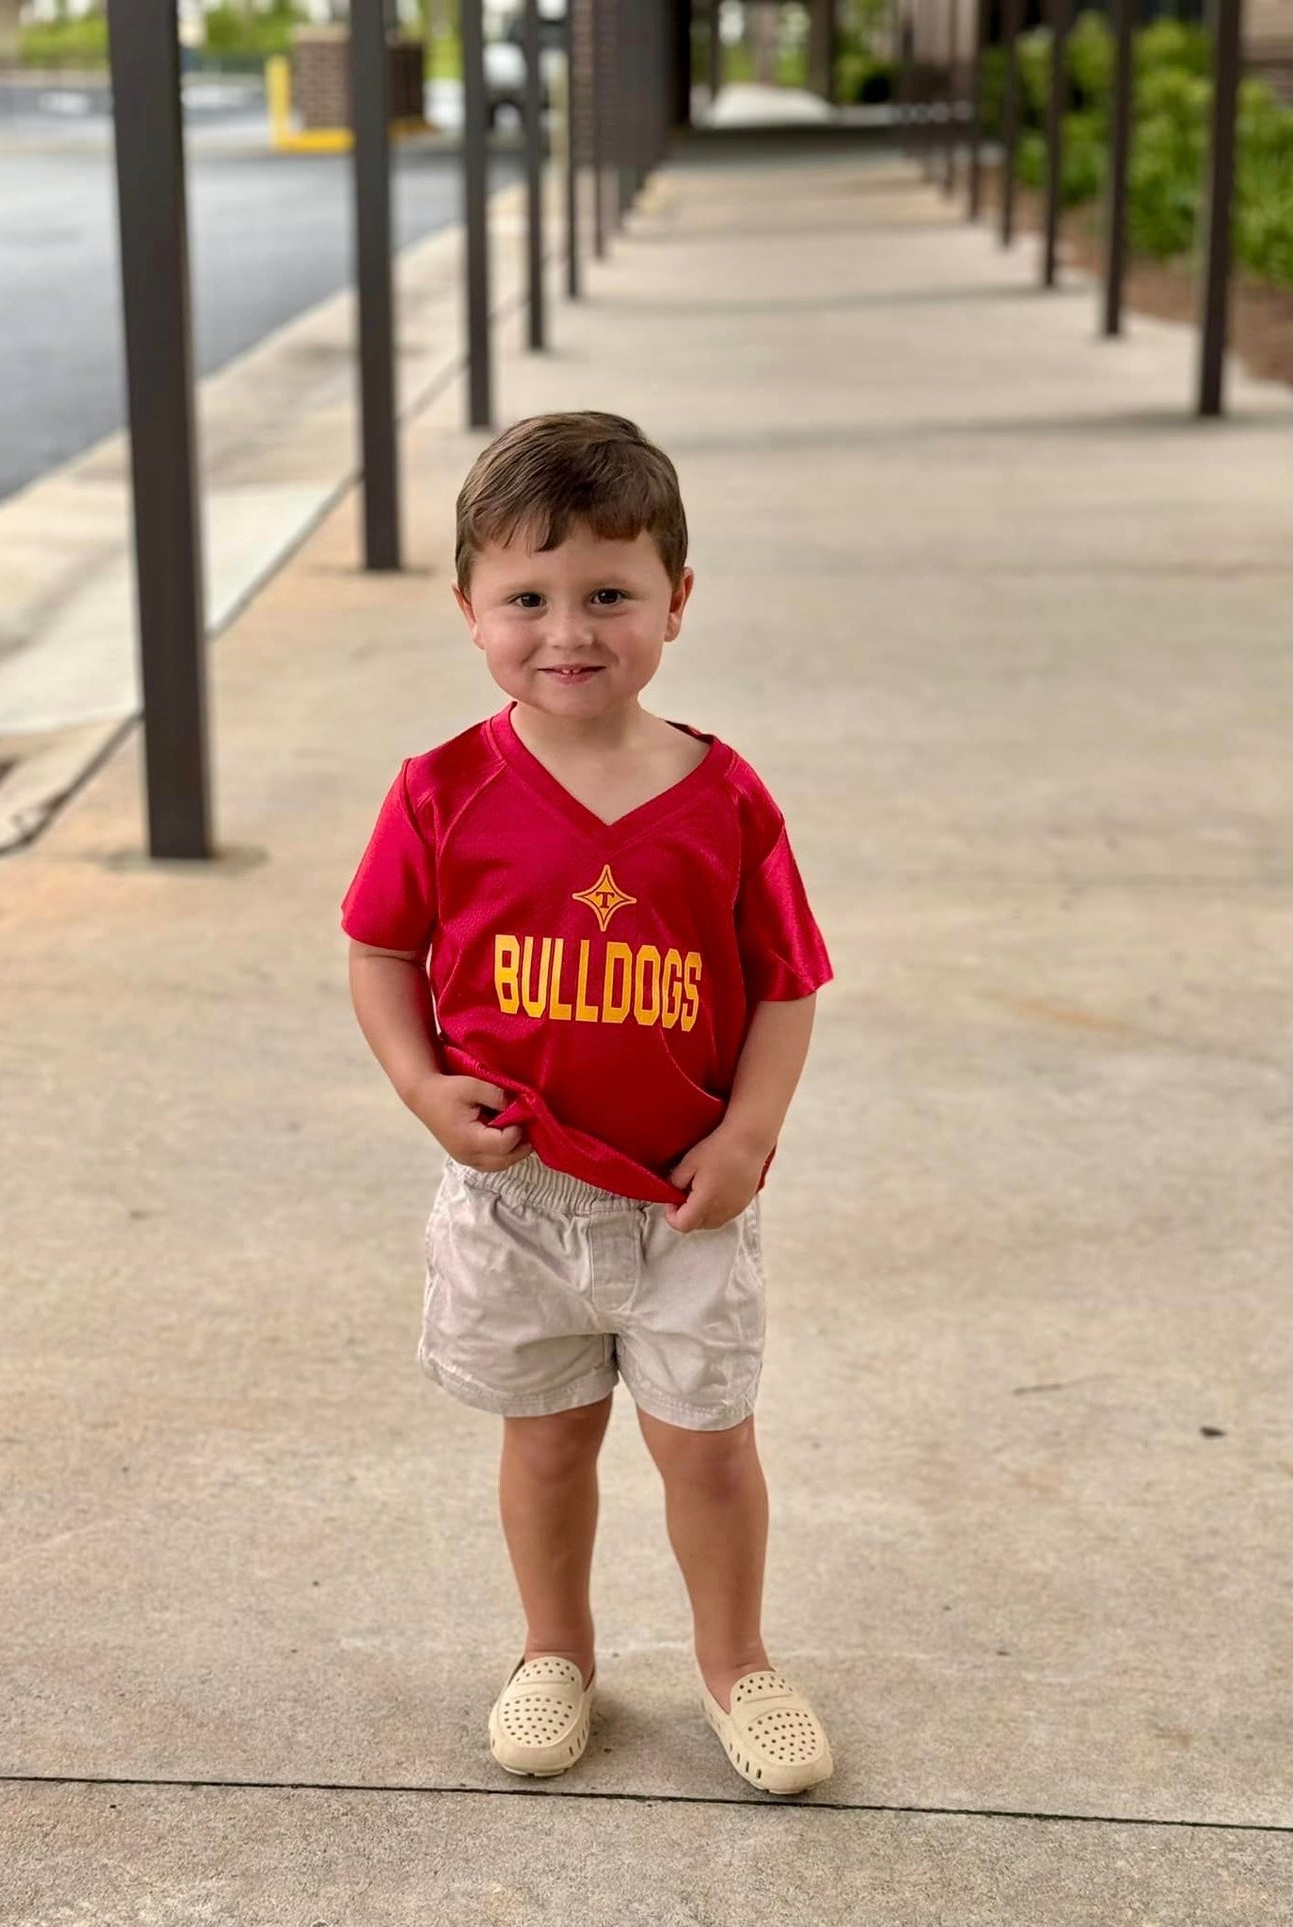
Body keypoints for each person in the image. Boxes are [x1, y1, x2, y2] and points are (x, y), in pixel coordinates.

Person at [341, 411, 836, 1796]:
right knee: (549, 1442)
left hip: (685, 1196)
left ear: (676, 603)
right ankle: (551, 1653)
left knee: (707, 1449)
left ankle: (736, 1663)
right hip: (518, 1198)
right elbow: (380, 949)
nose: (569, 630)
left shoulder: (725, 801)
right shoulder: (439, 792)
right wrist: (422, 1085)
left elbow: (787, 984)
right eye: (527, 599)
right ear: (469, 613)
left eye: (609, 594)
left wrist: (744, 1139)